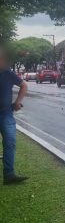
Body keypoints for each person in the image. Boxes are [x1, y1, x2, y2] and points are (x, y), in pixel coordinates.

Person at [0, 48, 28, 185]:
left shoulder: (8, 74)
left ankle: (9, 175)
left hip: (6, 113)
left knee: (10, 142)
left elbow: (23, 85)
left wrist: (18, 102)